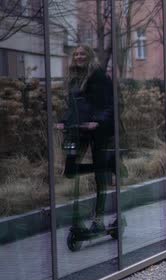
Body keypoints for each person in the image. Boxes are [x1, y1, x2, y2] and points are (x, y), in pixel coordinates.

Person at [57, 45, 115, 233]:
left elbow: (109, 104)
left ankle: (98, 218)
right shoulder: (73, 78)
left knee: (99, 174)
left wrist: (97, 121)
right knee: (71, 170)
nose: (79, 57)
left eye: (82, 54)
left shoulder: (99, 76)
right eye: (76, 54)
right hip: (79, 130)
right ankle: (78, 216)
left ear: (89, 56)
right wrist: (64, 121)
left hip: (98, 130)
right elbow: (73, 106)